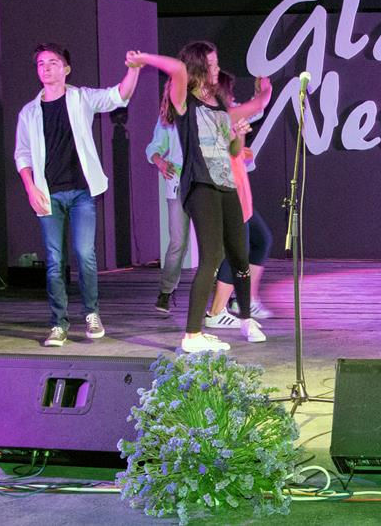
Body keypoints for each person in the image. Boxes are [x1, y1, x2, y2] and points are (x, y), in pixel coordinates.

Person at [128, 43, 272, 353]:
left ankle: (246, 319)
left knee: (239, 254)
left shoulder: (218, 103)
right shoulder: (184, 101)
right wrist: (144, 59)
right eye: (212, 64)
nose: (217, 68)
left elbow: (234, 149)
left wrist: (249, 119)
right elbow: (177, 69)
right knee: (212, 255)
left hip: (226, 185)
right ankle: (193, 334)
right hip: (199, 185)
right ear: (198, 67)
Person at [14, 43, 142, 347]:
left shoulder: (81, 97)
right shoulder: (29, 112)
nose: (46, 68)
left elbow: (118, 95)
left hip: (82, 191)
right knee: (54, 261)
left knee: (85, 254)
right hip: (49, 194)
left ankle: (91, 314)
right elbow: (22, 154)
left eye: (52, 62)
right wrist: (30, 188)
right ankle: (58, 324)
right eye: (41, 64)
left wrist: (133, 70)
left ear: (66, 69)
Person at [204, 71, 270, 342]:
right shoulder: (217, 116)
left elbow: (234, 151)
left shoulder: (225, 116)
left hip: (240, 192)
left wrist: (240, 140)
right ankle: (218, 311)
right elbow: (259, 105)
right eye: (229, 92)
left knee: (259, 240)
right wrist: (264, 89)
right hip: (228, 194)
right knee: (235, 254)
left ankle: (242, 303)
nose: (233, 97)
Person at [145, 81, 188, 315]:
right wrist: (160, 161)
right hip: (179, 183)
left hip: (205, 183)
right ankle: (166, 291)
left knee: (215, 241)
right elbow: (153, 147)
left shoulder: (205, 109)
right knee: (178, 241)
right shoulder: (167, 119)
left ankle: (225, 291)